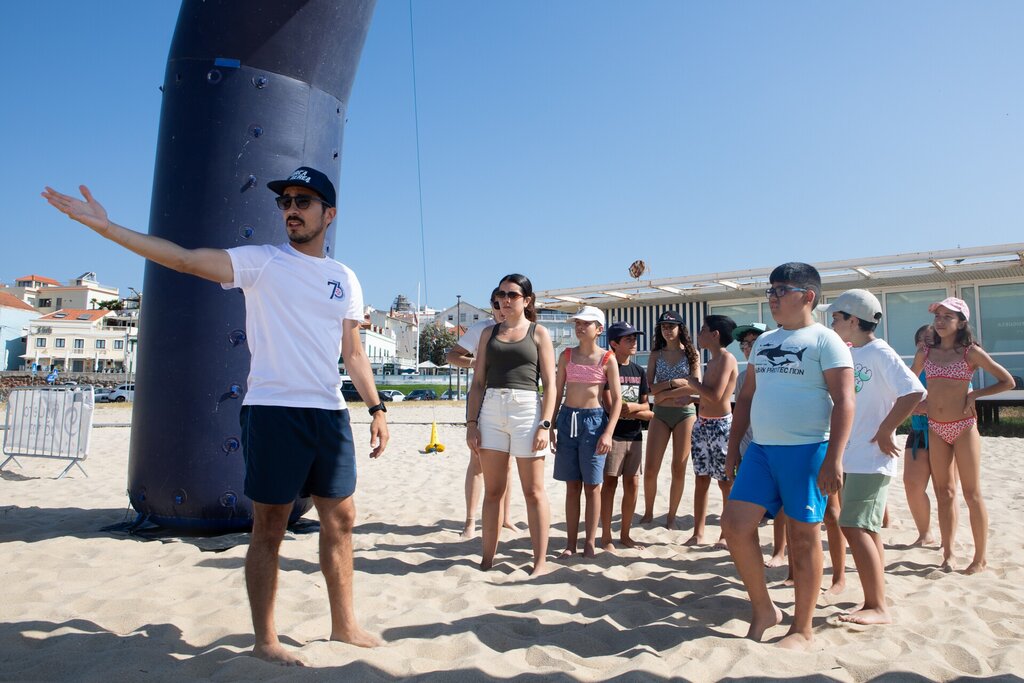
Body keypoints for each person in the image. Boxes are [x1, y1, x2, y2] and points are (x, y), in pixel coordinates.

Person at [43, 167, 390, 666]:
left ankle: (344, 625)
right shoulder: (263, 263)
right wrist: (105, 227)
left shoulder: (345, 278)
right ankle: (266, 640)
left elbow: (353, 352)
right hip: (273, 411)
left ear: (328, 214)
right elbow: (184, 260)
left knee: (343, 519)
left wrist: (376, 408)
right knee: (269, 524)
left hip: (330, 412)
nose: (291, 208)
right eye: (285, 200)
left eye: (303, 201)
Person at [721, 262, 854, 650]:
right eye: (771, 291)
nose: (774, 298)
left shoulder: (825, 340)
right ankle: (765, 609)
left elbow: (845, 400)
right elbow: (744, 399)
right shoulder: (763, 342)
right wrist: (732, 450)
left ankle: (803, 628)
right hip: (762, 450)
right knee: (734, 526)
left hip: (809, 449)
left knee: (803, 535)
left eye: (781, 290)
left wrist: (835, 458)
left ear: (807, 296)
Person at [827, 290, 925, 625]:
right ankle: (877, 596)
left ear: (854, 320)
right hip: (854, 455)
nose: (832, 322)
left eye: (837, 317)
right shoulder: (852, 352)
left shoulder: (880, 351)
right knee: (867, 529)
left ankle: (877, 606)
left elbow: (913, 391)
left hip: (872, 456)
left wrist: (886, 430)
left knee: (852, 525)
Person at [912, 297, 1014, 574]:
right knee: (944, 493)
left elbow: (1008, 381)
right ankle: (948, 554)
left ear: (961, 322)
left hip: (964, 427)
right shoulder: (926, 352)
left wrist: (976, 394)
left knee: (972, 494)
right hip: (935, 427)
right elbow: (909, 384)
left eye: (948, 316)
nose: (941, 321)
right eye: (938, 316)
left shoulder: (971, 353)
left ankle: (980, 559)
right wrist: (918, 404)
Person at [466, 274, 557, 576]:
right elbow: (478, 383)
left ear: (527, 300)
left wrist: (545, 424)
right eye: (502, 294)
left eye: (513, 295)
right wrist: (471, 423)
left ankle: (540, 562)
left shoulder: (539, 333)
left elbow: (551, 385)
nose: (506, 300)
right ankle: (487, 559)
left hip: (527, 410)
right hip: (491, 410)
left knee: (534, 491)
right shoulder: (487, 334)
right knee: (494, 491)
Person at [550, 306, 621, 558]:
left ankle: (590, 542)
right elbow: (557, 393)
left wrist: (608, 433)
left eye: (586, 323)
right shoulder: (566, 355)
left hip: (594, 422)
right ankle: (570, 543)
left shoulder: (607, 358)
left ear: (598, 329)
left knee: (593, 486)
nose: (580, 327)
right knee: (572, 486)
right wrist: (552, 424)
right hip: (568, 418)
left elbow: (617, 400)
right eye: (577, 323)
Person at [446, 288, 515, 540]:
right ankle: (470, 521)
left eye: (505, 304)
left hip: (510, 400)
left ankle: (505, 518)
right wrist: (477, 362)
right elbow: (452, 356)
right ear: (492, 305)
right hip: (482, 396)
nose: (501, 310)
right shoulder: (481, 330)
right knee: (478, 461)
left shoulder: (521, 329)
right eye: (497, 305)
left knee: (508, 463)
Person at [677, 314, 738, 547]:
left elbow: (716, 395)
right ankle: (698, 533)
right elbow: (708, 395)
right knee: (701, 479)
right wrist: (692, 398)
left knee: (725, 482)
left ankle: (726, 533)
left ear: (715, 335)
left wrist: (692, 383)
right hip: (703, 423)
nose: (699, 334)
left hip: (721, 426)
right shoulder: (711, 361)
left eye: (703, 330)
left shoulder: (726, 359)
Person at [733, 323, 789, 568]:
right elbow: (740, 412)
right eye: (744, 344)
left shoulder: (780, 371)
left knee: (785, 506)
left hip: (780, 446)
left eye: (752, 342)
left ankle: (780, 551)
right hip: (751, 447)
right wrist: (734, 448)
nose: (747, 348)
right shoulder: (743, 377)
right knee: (749, 511)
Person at [641, 310, 700, 530]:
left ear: (680, 328)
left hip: (685, 414)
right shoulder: (655, 354)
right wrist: (673, 384)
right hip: (661, 413)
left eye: (671, 326)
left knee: (679, 467)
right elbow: (649, 389)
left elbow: (696, 387)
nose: (667, 330)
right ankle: (648, 512)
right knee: (651, 468)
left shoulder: (692, 354)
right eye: (663, 326)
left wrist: (665, 390)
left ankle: (671, 516)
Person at [600, 321, 652, 551]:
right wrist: (636, 409)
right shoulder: (608, 369)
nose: (634, 342)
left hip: (635, 436)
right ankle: (606, 536)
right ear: (614, 344)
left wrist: (634, 409)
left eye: (634, 338)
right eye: (628, 339)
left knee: (632, 485)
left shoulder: (639, 371)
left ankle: (626, 534)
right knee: (609, 485)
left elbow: (647, 408)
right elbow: (612, 407)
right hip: (613, 435)